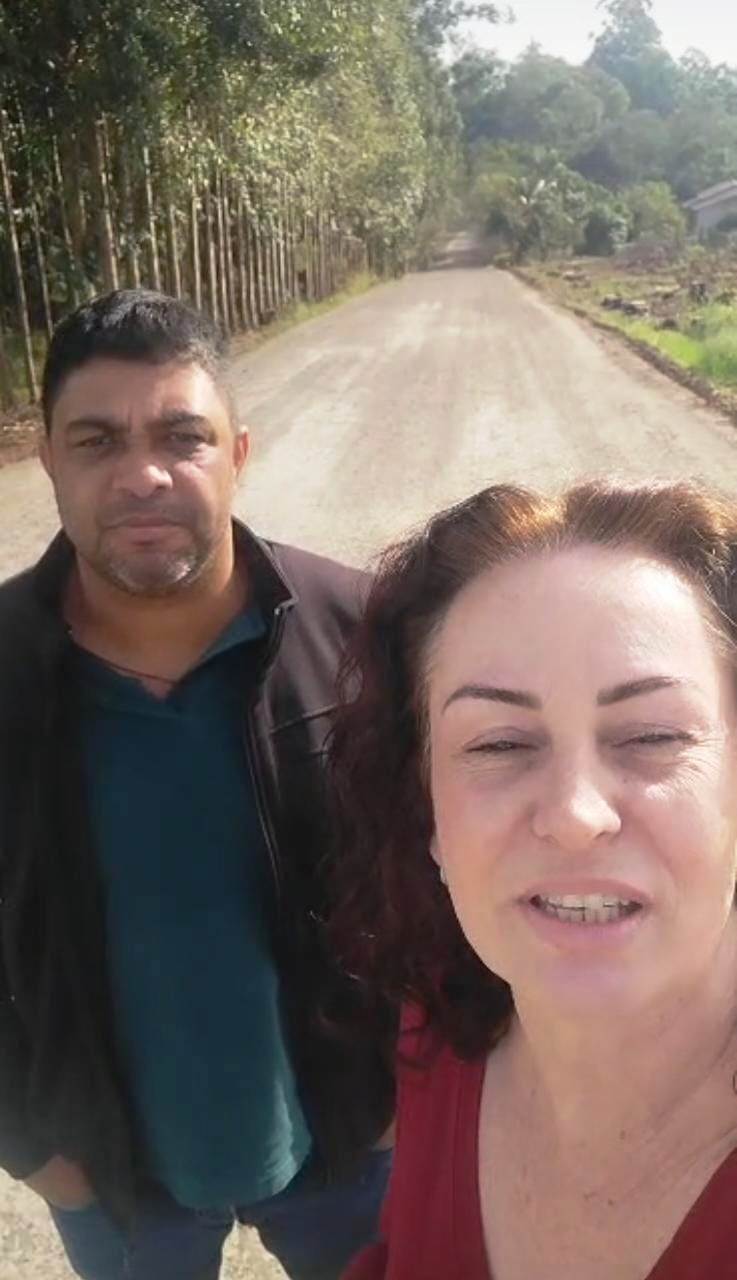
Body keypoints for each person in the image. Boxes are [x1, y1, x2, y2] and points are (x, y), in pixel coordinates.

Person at [0, 289, 395, 1280]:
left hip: (350, 1151)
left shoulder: (362, 638)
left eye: (183, 436)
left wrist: (404, 1099)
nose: (143, 474)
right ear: (46, 459)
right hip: (113, 1182)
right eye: (96, 440)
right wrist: (32, 1145)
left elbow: (443, 882)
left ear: (238, 453)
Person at [331, 480, 737, 1280]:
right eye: (498, 745)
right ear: (426, 807)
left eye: (650, 735)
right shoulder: (443, 1019)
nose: (575, 815)